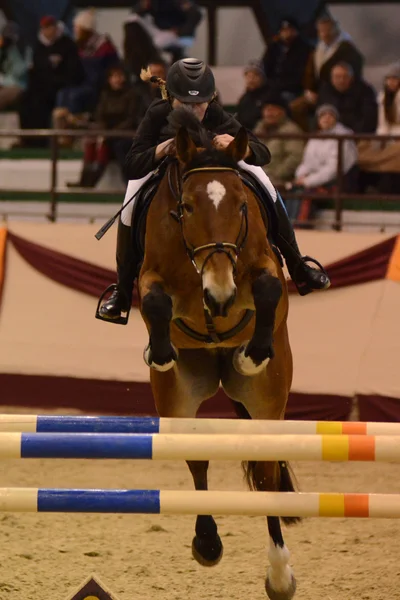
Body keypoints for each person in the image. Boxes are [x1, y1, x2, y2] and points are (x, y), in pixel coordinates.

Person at [97, 58, 330, 324]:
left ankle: (298, 265)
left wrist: (241, 146)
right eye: (185, 103)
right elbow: (131, 165)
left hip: (214, 174)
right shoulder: (157, 112)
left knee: (263, 180)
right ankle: (123, 291)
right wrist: (162, 149)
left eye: (200, 103)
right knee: (132, 196)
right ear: (170, 96)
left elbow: (262, 153)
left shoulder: (215, 113)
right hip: (166, 171)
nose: (195, 109)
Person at [67, 66, 140, 188]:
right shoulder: (105, 94)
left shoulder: (131, 95)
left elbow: (130, 119)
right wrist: (103, 130)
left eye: (119, 76)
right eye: (114, 76)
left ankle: (91, 181)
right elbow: (99, 116)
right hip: (105, 132)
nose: (117, 79)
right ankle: (84, 180)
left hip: (123, 133)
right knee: (91, 142)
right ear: (109, 79)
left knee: (104, 144)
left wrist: (111, 133)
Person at [17, 15, 83, 147]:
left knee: (43, 103)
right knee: (25, 101)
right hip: (41, 88)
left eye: (50, 27)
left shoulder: (67, 44)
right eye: (45, 28)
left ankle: (46, 142)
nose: (48, 31)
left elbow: (73, 71)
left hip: (61, 86)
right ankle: (28, 140)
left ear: (56, 27)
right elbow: (35, 71)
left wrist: (56, 81)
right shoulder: (39, 47)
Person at [287, 104, 358, 222]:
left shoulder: (343, 138)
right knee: (293, 190)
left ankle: (300, 227)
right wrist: (301, 176)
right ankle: (286, 228)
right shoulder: (315, 137)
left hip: (337, 182)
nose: (326, 118)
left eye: (330, 115)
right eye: (323, 115)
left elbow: (333, 169)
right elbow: (307, 162)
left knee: (306, 193)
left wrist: (308, 181)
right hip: (315, 180)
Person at [253, 94, 304, 187]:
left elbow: (295, 157)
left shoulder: (291, 130)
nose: (269, 113)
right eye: (266, 109)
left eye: (273, 109)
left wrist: (276, 175)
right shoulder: (259, 128)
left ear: (282, 111)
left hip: (277, 182)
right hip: (256, 178)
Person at [317, 62, 377, 133]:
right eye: (337, 77)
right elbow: (320, 114)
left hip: (357, 134)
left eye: (345, 77)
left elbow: (369, 117)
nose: (341, 80)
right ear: (331, 78)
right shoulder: (325, 90)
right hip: (330, 132)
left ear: (351, 78)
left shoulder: (365, 91)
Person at [262, 17, 313, 102]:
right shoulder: (273, 47)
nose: (287, 33)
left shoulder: (304, 49)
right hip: (272, 87)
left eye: (290, 30)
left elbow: (300, 75)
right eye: (284, 30)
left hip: (292, 89)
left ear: (296, 31)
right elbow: (264, 66)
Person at [0, 21, 27, 111]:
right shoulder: (4, 49)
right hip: (5, 84)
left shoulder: (21, 49)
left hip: (17, 85)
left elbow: (20, 71)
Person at [237, 60, 269, 130]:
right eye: (248, 76)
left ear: (262, 78)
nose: (251, 79)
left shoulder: (269, 97)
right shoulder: (244, 98)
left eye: (256, 75)